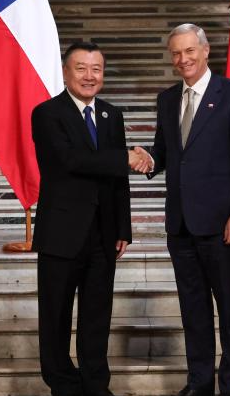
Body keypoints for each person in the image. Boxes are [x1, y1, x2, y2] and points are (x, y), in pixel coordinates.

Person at [141, 23, 230, 396]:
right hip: (180, 226)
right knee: (192, 309)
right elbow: (166, 152)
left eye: (190, 51)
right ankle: (199, 383)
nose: (183, 59)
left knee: (228, 310)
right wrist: (147, 159)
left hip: (223, 224)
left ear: (206, 51)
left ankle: (229, 387)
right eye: (176, 53)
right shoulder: (166, 100)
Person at [31, 41, 151, 396]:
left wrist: (123, 228)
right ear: (66, 72)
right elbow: (70, 161)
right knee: (55, 315)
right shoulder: (47, 113)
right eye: (81, 68)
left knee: (97, 316)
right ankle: (63, 385)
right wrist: (125, 158)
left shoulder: (111, 114)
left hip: (103, 234)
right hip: (61, 233)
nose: (89, 76)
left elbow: (118, 181)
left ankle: (96, 385)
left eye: (96, 69)